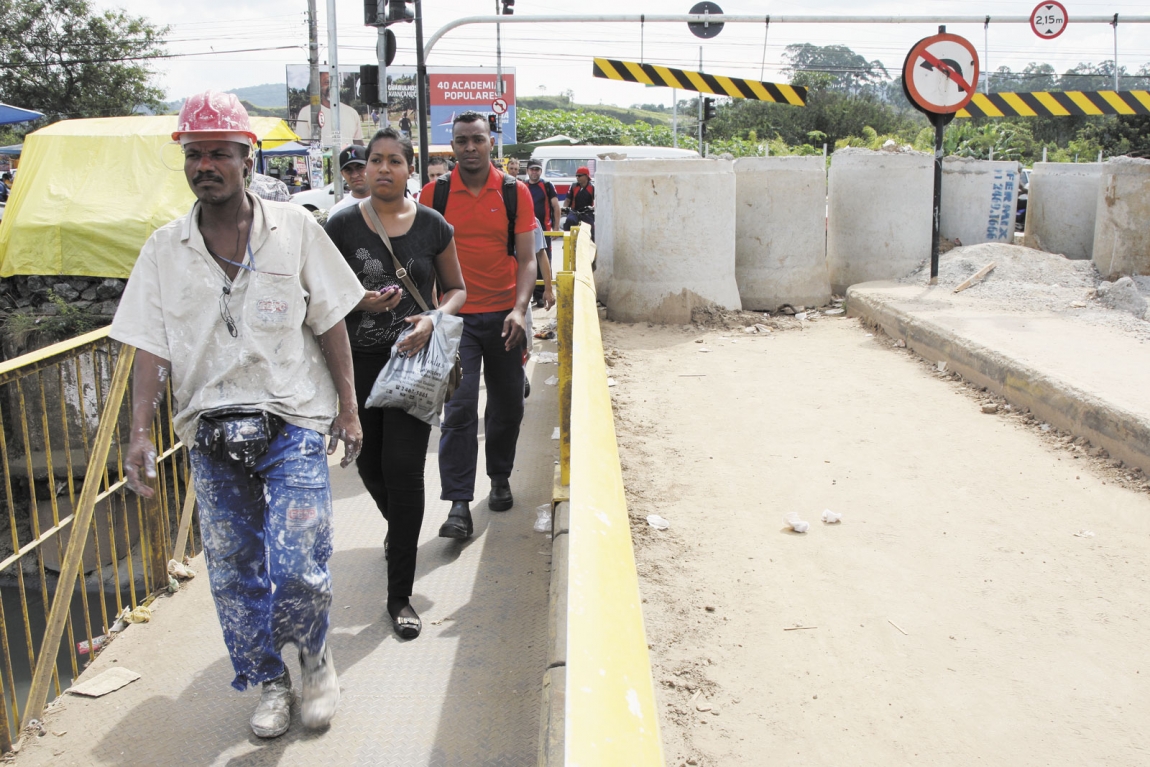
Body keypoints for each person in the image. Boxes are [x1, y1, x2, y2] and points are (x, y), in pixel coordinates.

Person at [111, 91, 366, 740]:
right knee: (232, 572)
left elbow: (331, 320)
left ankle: (315, 660)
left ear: (247, 159)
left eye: (219, 153)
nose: (205, 165)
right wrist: (139, 434)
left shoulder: (295, 229)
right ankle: (270, 682)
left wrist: (348, 408)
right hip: (210, 430)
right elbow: (150, 347)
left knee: (298, 561)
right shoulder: (163, 250)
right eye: (194, 154)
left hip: (292, 421)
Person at [324, 127, 466, 639]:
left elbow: (457, 289)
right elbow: (320, 294)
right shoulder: (341, 225)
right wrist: (360, 301)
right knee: (369, 465)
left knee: (403, 470)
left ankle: (399, 594)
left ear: (410, 169)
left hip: (413, 367)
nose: (383, 168)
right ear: (364, 168)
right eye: (375, 160)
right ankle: (400, 527)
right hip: (358, 365)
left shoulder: (433, 225)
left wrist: (432, 318)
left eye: (394, 161)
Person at [420, 112, 537, 540]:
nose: (470, 147)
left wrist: (520, 310)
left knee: (508, 406)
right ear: (452, 146)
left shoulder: (513, 192)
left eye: (477, 139)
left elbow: (527, 259)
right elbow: (422, 258)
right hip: (456, 320)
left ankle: (500, 477)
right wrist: (432, 314)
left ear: (491, 142)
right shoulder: (434, 193)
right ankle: (458, 504)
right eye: (461, 140)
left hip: (506, 317)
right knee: (459, 408)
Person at [294, 70, 365, 146]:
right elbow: (301, 147)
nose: (332, 86)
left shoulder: (352, 113)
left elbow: (359, 145)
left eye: (335, 82)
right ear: (318, 86)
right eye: (327, 82)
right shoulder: (306, 112)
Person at [525, 159, 562, 308]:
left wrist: (556, 228)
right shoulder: (523, 186)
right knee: (528, 261)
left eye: (537, 169)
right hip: (526, 230)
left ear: (541, 171)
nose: (534, 172)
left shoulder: (547, 186)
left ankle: (541, 294)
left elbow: (556, 206)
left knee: (544, 260)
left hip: (544, 231)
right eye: (532, 169)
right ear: (527, 171)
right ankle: (532, 293)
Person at [328, 144, 370, 215]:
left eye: (360, 167)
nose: (354, 175)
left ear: (371, 167)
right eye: (348, 170)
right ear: (342, 174)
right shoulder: (337, 212)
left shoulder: (387, 204)